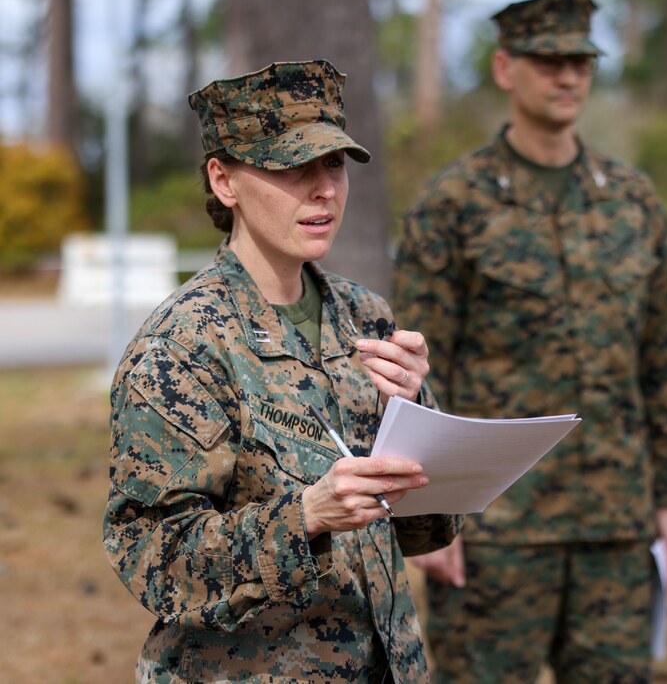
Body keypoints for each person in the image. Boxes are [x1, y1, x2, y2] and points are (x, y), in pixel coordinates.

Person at [103, 59, 461, 683]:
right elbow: (154, 558)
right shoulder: (183, 345)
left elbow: (425, 530)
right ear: (224, 181)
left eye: (333, 165)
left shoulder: (364, 316)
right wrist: (308, 516)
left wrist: (418, 413)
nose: (323, 189)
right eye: (291, 167)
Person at [393, 0, 667, 683]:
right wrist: (429, 521)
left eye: (581, 63)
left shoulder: (632, 201)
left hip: (616, 526)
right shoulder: (454, 204)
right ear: (505, 69)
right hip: (497, 528)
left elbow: (660, 361)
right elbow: (414, 377)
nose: (568, 77)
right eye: (549, 61)